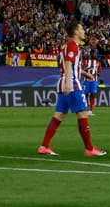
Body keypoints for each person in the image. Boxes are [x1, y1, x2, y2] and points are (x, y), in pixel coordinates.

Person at [38, 20, 105, 157]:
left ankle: (44, 146)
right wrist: (69, 83)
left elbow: (72, 66)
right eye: (81, 29)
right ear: (75, 32)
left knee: (59, 115)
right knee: (83, 114)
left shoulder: (68, 46)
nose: (84, 31)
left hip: (63, 82)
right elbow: (68, 63)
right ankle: (89, 149)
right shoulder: (72, 45)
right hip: (72, 84)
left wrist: (85, 74)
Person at [82, 40, 103, 116]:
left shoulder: (98, 63)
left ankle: (90, 110)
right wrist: (87, 69)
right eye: (94, 53)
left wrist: (96, 74)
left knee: (92, 94)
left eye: (96, 54)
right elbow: (82, 70)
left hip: (94, 81)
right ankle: (86, 109)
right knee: (86, 94)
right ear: (90, 54)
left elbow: (99, 72)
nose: (95, 55)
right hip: (86, 80)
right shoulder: (85, 62)